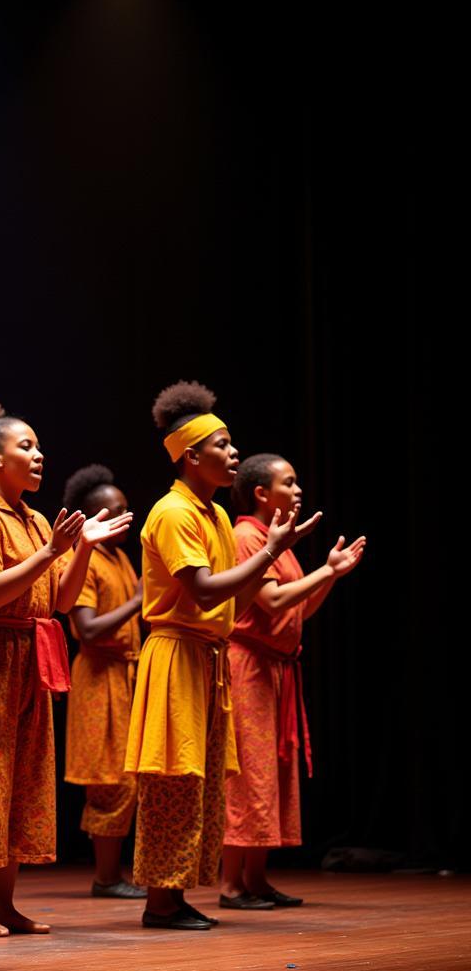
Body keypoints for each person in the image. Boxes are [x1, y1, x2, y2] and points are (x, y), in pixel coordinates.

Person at [125, 381, 319, 932]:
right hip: (176, 653)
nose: (234, 455)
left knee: (203, 781)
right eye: (224, 445)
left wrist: (274, 555)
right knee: (174, 777)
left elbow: (233, 596)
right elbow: (206, 591)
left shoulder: (209, 514)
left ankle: (176, 893)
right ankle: (159, 901)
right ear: (191, 455)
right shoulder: (172, 512)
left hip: (207, 656)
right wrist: (275, 551)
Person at [0, 400, 134, 938]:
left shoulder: (33, 518)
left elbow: (58, 603)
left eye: (37, 445)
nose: (38, 453)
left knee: (21, 785)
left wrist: (77, 552)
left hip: (29, 659)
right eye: (25, 446)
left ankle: (3, 903)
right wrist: (52, 551)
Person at [220, 454, 365, 909]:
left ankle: (256, 879)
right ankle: (230, 884)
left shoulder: (274, 540)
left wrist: (330, 576)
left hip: (276, 671)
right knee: (248, 775)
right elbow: (273, 600)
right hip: (249, 669)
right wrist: (327, 570)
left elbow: (298, 611)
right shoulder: (248, 537)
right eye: (290, 482)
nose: (299, 490)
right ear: (261, 494)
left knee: (271, 773)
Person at [61, 464, 145, 899]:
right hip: (98, 680)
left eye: (127, 510)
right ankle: (106, 878)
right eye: (115, 512)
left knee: (126, 777)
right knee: (110, 781)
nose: (125, 518)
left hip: (124, 678)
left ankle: (113, 875)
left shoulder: (119, 557)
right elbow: (88, 630)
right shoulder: (86, 557)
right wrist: (136, 601)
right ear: (94, 516)